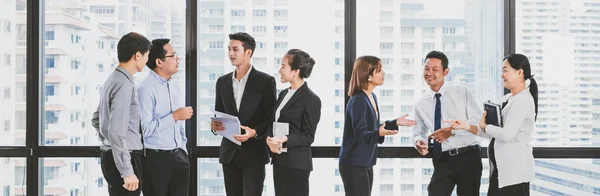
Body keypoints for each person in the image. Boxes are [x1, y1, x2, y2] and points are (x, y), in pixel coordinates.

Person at [436, 53, 537, 196]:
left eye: (505, 70)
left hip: (514, 173)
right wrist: (466, 126)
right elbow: (490, 131)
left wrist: (485, 126)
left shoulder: (523, 100)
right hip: (500, 171)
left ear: (519, 72)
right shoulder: (506, 99)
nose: (502, 75)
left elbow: (506, 134)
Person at [338, 55, 416, 196]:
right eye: (379, 70)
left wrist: (394, 123)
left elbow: (371, 126)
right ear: (368, 76)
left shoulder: (371, 97)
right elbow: (360, 134)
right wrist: (379, 133)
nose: (383, 73)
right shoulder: (358, 100)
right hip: (354, 163)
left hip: (365, 161)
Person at [210, 32, 277, 196]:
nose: (230, 54)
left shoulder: (265, 81)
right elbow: (219, 114)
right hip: (229, 154)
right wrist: (215, 126)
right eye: (229, 49)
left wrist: (254, 132)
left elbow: (271, 119)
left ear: (248, 52)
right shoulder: (222, 82)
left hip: (254, 153)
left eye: (235, 49)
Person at [412, 51, 483, 196]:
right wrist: (418, 141)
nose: (429, 73)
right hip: (443, 159)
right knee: (434, 191)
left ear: (445, 72)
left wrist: (451, 130)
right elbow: (418, 132)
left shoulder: (461, 91)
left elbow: (478, 121)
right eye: (426, 68)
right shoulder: (421, 103)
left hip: (468, 156)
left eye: (434, 69)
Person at [91, 32, 151, 196]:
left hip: (111, 156)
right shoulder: (124, 83)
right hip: (125, 159)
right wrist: (127, 171)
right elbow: (116, 131)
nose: (147, 61)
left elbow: (96, 119)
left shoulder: (113, 79)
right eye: (146, 56)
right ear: (137, 55)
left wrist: (108, 141)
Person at [137, 38, 193, 196]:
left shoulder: (174, 86)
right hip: (156, 160)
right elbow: (144, 129)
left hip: (179, 157)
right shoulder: (145, 89)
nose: (178, 59)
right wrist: (174, 116)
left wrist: (182, 150)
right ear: (159, 62)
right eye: (173, 55)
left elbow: (178, 127)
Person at [265, 49, 321, 196]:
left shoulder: (311, 99)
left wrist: (286, 139)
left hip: (297, 164)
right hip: (279, 160)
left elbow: (308, 136)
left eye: (283, 66)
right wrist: (270, 139)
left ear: (295, 71)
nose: (280, 70)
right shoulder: (283, 93)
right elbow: (275, 123)